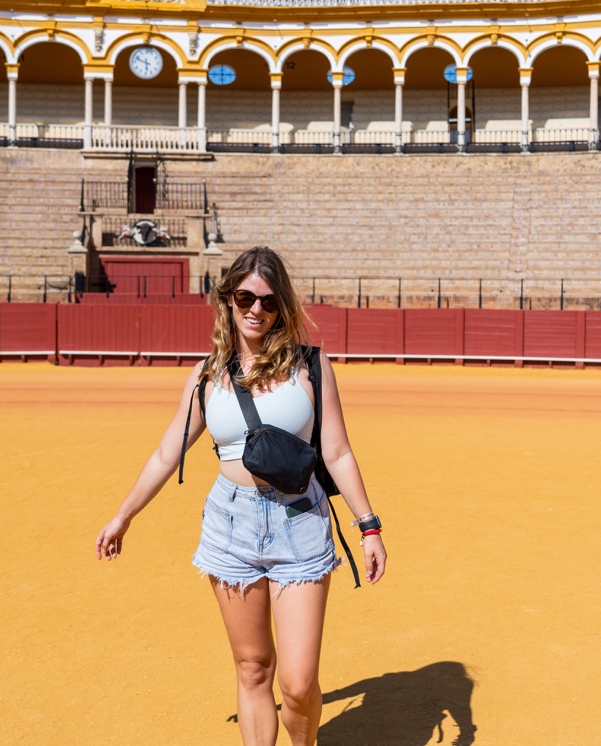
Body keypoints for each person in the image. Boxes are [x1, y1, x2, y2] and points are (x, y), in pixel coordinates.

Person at [95, 246, 387, 746]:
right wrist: (124, 516)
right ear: (227, 300)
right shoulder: (208, 374)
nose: (256, 309)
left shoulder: (311, 366)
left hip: (301, 521)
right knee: (252, 668)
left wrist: (369, 526)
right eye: (245, 297)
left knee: (297, 683)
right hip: (230, 524)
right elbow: (168, 453)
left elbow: (336, 452)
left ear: (282, 307)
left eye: (269, 302)